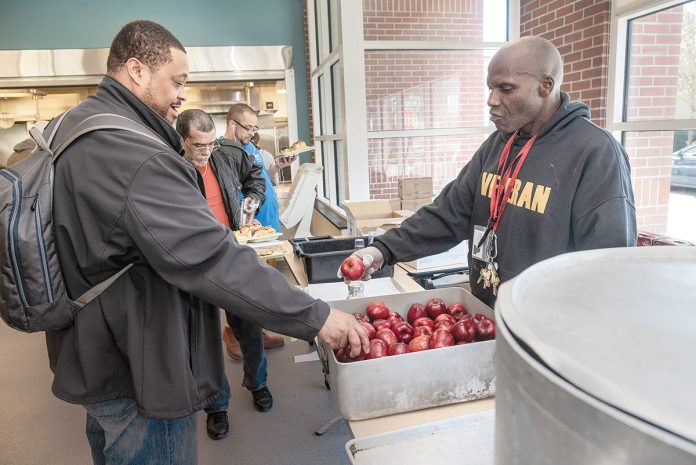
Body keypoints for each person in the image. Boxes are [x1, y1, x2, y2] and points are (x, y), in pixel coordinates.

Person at [45, 20, 368, 465]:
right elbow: (209, 259)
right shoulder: (133, 153)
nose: (181, 95)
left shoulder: (73, 128)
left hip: (94, 350)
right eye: (177, 81)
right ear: (137, 70)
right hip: (140, 367)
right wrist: (315, 317)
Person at [343, 36, 637, 308]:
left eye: (506, 88)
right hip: (488, 318)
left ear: (545, 86)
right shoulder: (499, 144)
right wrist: (381, 251)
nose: (492, 100)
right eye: (491, 88)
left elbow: (608, 267)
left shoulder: (596, 152)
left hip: (546, 337)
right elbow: (448, 214)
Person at [176, 109, 279, 442]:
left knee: (248, 325)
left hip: (232, 253)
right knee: (203, 337)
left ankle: (258, 384)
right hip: (194, 261)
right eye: (198, 145)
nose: (206, 151)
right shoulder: (169, 166)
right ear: (182, 140)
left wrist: (251, 198)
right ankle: (216, 407)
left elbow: (256, 177)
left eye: (209, 143)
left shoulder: (228, 153)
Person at [225, 103, 282, 231]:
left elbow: (261, 178)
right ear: (232, 124)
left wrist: (278, 165)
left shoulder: (250, 147)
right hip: (252, 223)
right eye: (248, 128)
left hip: (271, 220)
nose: (252, 134)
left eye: (254, 128)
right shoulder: (222, 152)